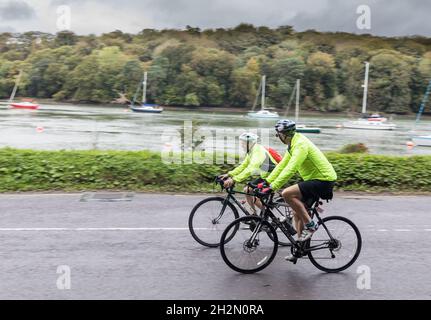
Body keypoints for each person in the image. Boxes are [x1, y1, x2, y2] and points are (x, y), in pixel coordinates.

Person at [259, 120, 337, 262]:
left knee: (287, 193)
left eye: (278, 134)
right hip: (314, 180)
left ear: (285, 134)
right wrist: (267, 181)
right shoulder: (292, 145)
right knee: (296, 212)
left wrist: (274, 187)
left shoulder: (300, 145)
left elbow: (292, 168)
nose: (278, 137)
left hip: (323, 180)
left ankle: (311, 225)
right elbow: (282, 165)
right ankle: (300, 248)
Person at [220, 132, 279, 215]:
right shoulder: (251, 151)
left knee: (255, 197)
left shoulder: (258, 151)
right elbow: (244, 166)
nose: (242, 145)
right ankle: (254, 216)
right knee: (247, 190)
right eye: (241, 143)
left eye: (243, 143)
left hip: (273, 176)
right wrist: (230, 174)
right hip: (266, 176)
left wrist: (234, 180)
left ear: (250, 143)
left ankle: (267, 216)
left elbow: (251, 168)